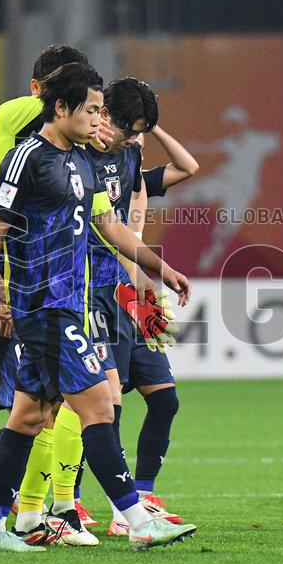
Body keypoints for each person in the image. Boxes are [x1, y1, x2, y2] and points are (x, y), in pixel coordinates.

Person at [0, 62, 197, 552]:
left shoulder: (82, 161)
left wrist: (158, 267)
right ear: (60, 107)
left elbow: (109, 227)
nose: (97, 119)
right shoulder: (28, 156)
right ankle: (137, 519)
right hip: (42, 306)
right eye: (89, 109)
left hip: (68, 304)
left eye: (99, 110)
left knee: (27, 418)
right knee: (99, 406)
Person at [86, 77, 200, 535]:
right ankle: (93, 506)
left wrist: (146, 285)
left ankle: (142, 493)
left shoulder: (130, 153)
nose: (134, 138)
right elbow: (107, 228)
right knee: (98, 403)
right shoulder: (79, 155)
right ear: (104, 115)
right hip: (88, 289)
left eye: (140, 130)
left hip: (128, 287)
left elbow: (126, 228)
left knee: (165, 398)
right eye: (130, 128)